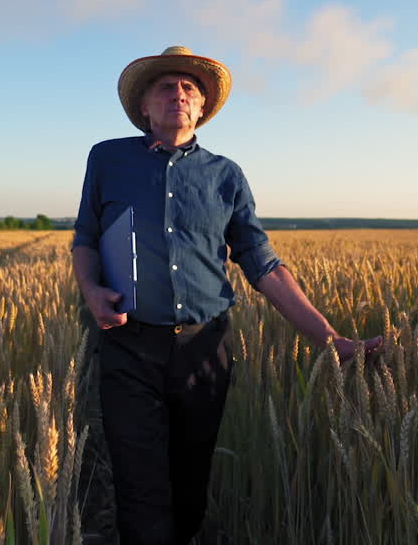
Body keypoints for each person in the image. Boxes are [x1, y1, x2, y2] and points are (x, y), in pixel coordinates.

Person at [72, 46, 385, 545]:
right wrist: (90, 290)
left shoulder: (226, 175)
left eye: (188, 88)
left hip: (204, 348)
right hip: (129, 347)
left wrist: (329, 340)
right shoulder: (107, 159)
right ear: (145, 109)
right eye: (164, 87)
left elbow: (262, 263)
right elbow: (86, 238)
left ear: (201, 109)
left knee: (190, 484)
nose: (178, 93)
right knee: (139, 489)